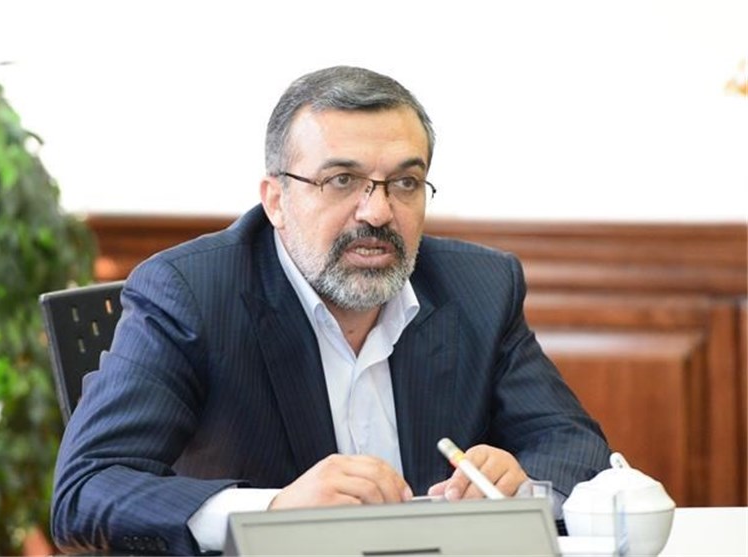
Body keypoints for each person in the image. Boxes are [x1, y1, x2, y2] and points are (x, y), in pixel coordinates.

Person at [51, 66, 611, 555]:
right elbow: (86, 489)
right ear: (276, 200)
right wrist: (272, 511)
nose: (377, 212)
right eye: (342, 180)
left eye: (405, 182)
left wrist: (521, 485)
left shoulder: (480, 288)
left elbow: (575, 446)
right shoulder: (191, 293)